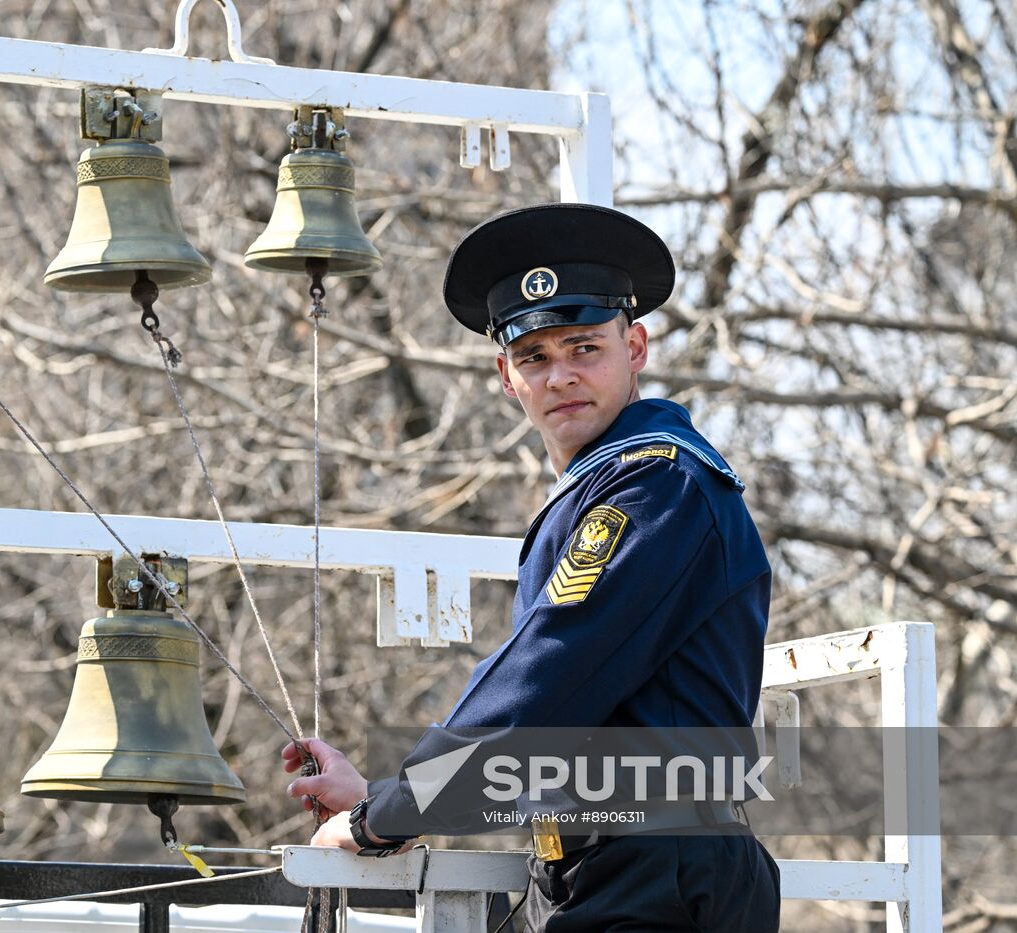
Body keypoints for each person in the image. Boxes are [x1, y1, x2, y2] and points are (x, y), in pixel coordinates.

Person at [281, 203, 781, 931]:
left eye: (585, 348)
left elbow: (545, 679)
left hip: (658, 873)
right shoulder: (606, 487)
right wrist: (382, 800)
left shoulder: (657, 487)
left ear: (634, 346)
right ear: (506, 374)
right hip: (599, 870)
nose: (561, 377)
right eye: (535, 357)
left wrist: (384, 815)